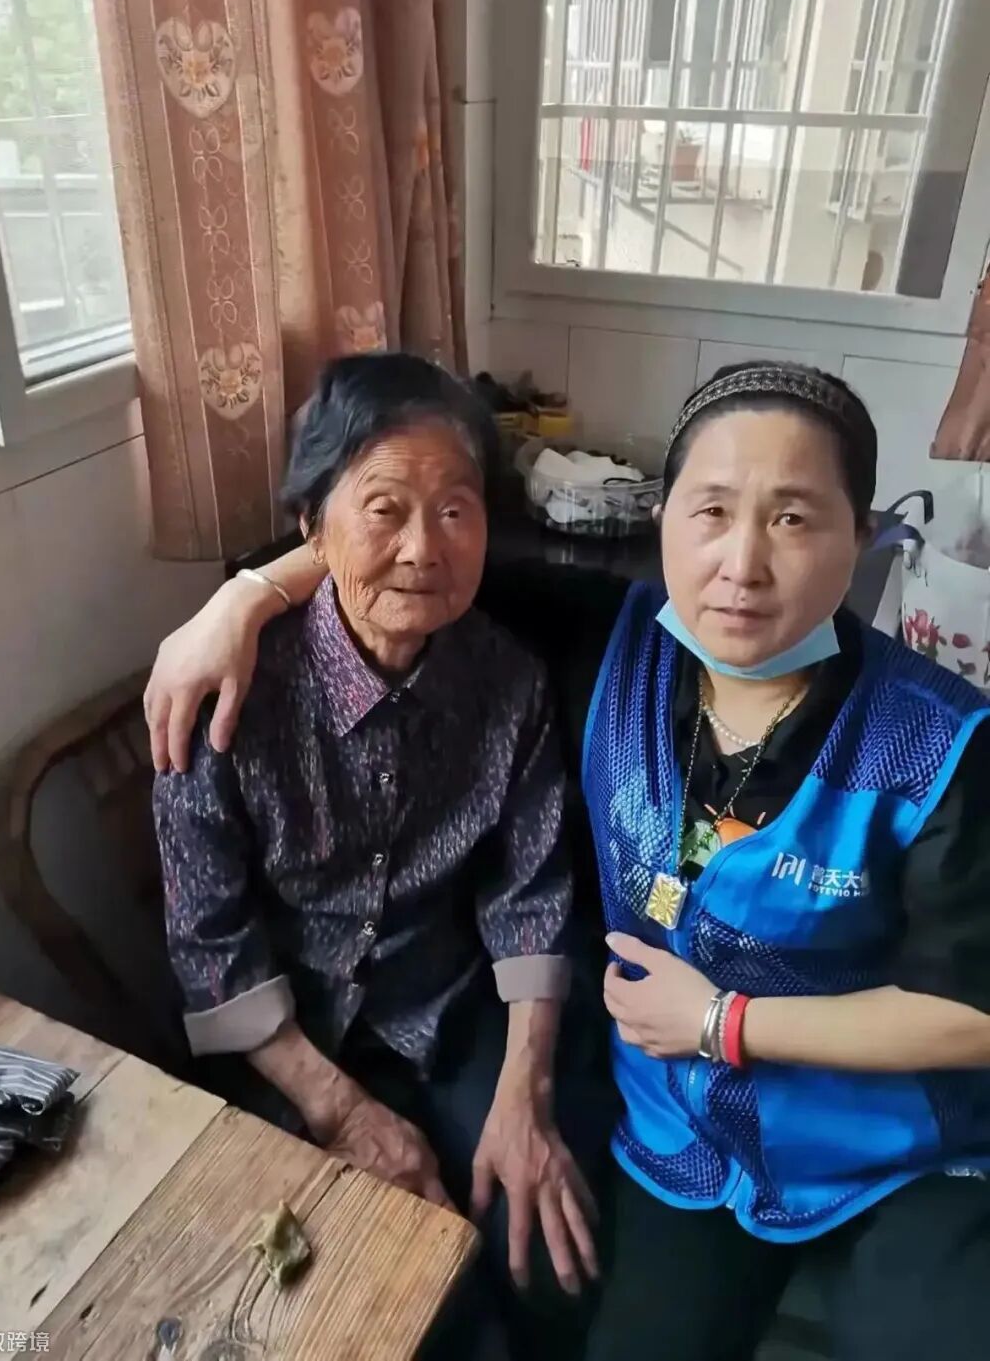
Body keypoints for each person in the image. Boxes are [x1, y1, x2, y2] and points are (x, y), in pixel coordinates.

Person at [146, 359, 990, 1361]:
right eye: (712, 511)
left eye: (795, 518)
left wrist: (714, 1025)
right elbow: (391, 566)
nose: (744, 563)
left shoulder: (940, 745)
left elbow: (973, 1013)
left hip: (893, 1143)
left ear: (866, 535)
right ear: (663, 522)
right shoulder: (607, 635)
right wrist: (237, 601)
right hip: (693, 1138)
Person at [151, 353, 608, 1361]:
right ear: (312, 527)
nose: (421, 549)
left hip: (451, 1009)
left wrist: (524, 1096)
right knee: (366, 1292)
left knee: (548, 1250)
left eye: (455, 511)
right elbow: (210, 946)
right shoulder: (228, 694)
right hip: (284, 1040)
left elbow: (532, 896)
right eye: (385, 509)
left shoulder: (510, 682)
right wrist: (343, 1111)